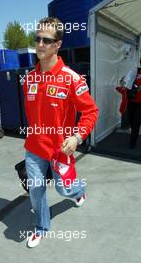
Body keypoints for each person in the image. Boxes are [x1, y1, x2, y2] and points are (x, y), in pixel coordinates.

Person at [23, 17, 99, 248]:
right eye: (37, 39)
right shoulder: (29, 79)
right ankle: (41, 227)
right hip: (34, 148)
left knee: (64, 188)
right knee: (36, 191)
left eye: (46, 40)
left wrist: (76, 137)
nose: (40, 44)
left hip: (60, 150)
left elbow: (91, 111)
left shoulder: (72, 79)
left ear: (57, 45)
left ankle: (79, 190)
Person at [127, 67, 141, 148]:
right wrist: (123, 82)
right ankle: (134, 133)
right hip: (131, 99)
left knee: (136, 122)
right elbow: (126, 80)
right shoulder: (135, 70)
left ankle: (132, 142)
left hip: (140, 102)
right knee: (131, 120)